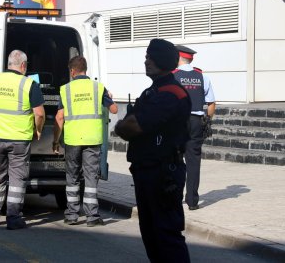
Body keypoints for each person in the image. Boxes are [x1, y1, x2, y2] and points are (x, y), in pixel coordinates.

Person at [114, 38, 191, 262]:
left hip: (163, 172)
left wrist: (121, 125)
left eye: (150, 57)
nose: (146, 61)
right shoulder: (154, 91)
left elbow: (133, 125)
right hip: (148, 170)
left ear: (161, 59)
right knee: (150, 233)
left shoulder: (170, 93)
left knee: (166, 234)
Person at [0, 50, 45, 230]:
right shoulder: (29, 84)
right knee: (17, 179)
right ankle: (13, 217)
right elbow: (39, 113)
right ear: (23, 66)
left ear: (9, 63)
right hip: (19, 139)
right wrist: (38, 130)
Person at [53, 56, 118, 227]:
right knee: (90, 178)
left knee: (72, 177)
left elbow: (60, 117)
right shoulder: (98, 88)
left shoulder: (65, 90)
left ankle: (72, 215)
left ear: (72, 71)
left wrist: (55, 140)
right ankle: (92, 217)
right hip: (92, 139)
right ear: (85, 69)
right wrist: (109, 96)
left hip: (73, 140)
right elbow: (114, 109)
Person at [174, 45, 216, 211]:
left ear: (178, 58)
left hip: (178, 123)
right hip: (196, 121)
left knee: (175, 161)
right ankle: (192, 201)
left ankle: (175, 197)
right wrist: (206, 120)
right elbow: (212, 104)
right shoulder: (202, 76)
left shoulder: (173, 76)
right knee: (193, 162)